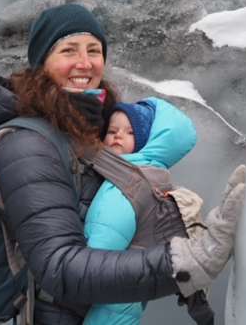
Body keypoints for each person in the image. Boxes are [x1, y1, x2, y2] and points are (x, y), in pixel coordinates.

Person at [0, 3, 246, 325]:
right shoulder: (29, 143)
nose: (84, 63)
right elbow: (58, 267)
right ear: (41, 62)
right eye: (68, 50)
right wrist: (186, 263)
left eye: (94, 50)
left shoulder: (85, 130)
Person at [83, 98, 197, 325]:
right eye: (112, 130)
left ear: (147, 142)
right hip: (127, 300)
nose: (117, 136)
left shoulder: (124, 185)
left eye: (130, 133)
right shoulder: (155, 176)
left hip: (103, 305)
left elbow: (97, 253)